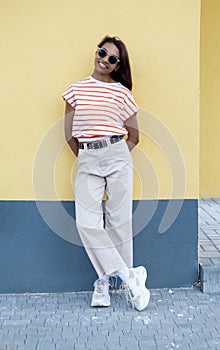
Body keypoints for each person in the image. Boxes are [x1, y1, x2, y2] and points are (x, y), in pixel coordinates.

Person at [62, 35, 150, 311]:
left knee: (119, 223)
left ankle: (107, 285)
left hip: (117, 155)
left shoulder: (122, 93)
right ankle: (128, 275)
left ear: (117, 65)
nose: (105, 60)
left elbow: (134, 136)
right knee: (87, 224)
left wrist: (116, 156)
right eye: (103, 52)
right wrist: (89, 155)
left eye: (112, 58)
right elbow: (69, 134)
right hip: (88, 157)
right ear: (96, 52)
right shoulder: (75, 91)